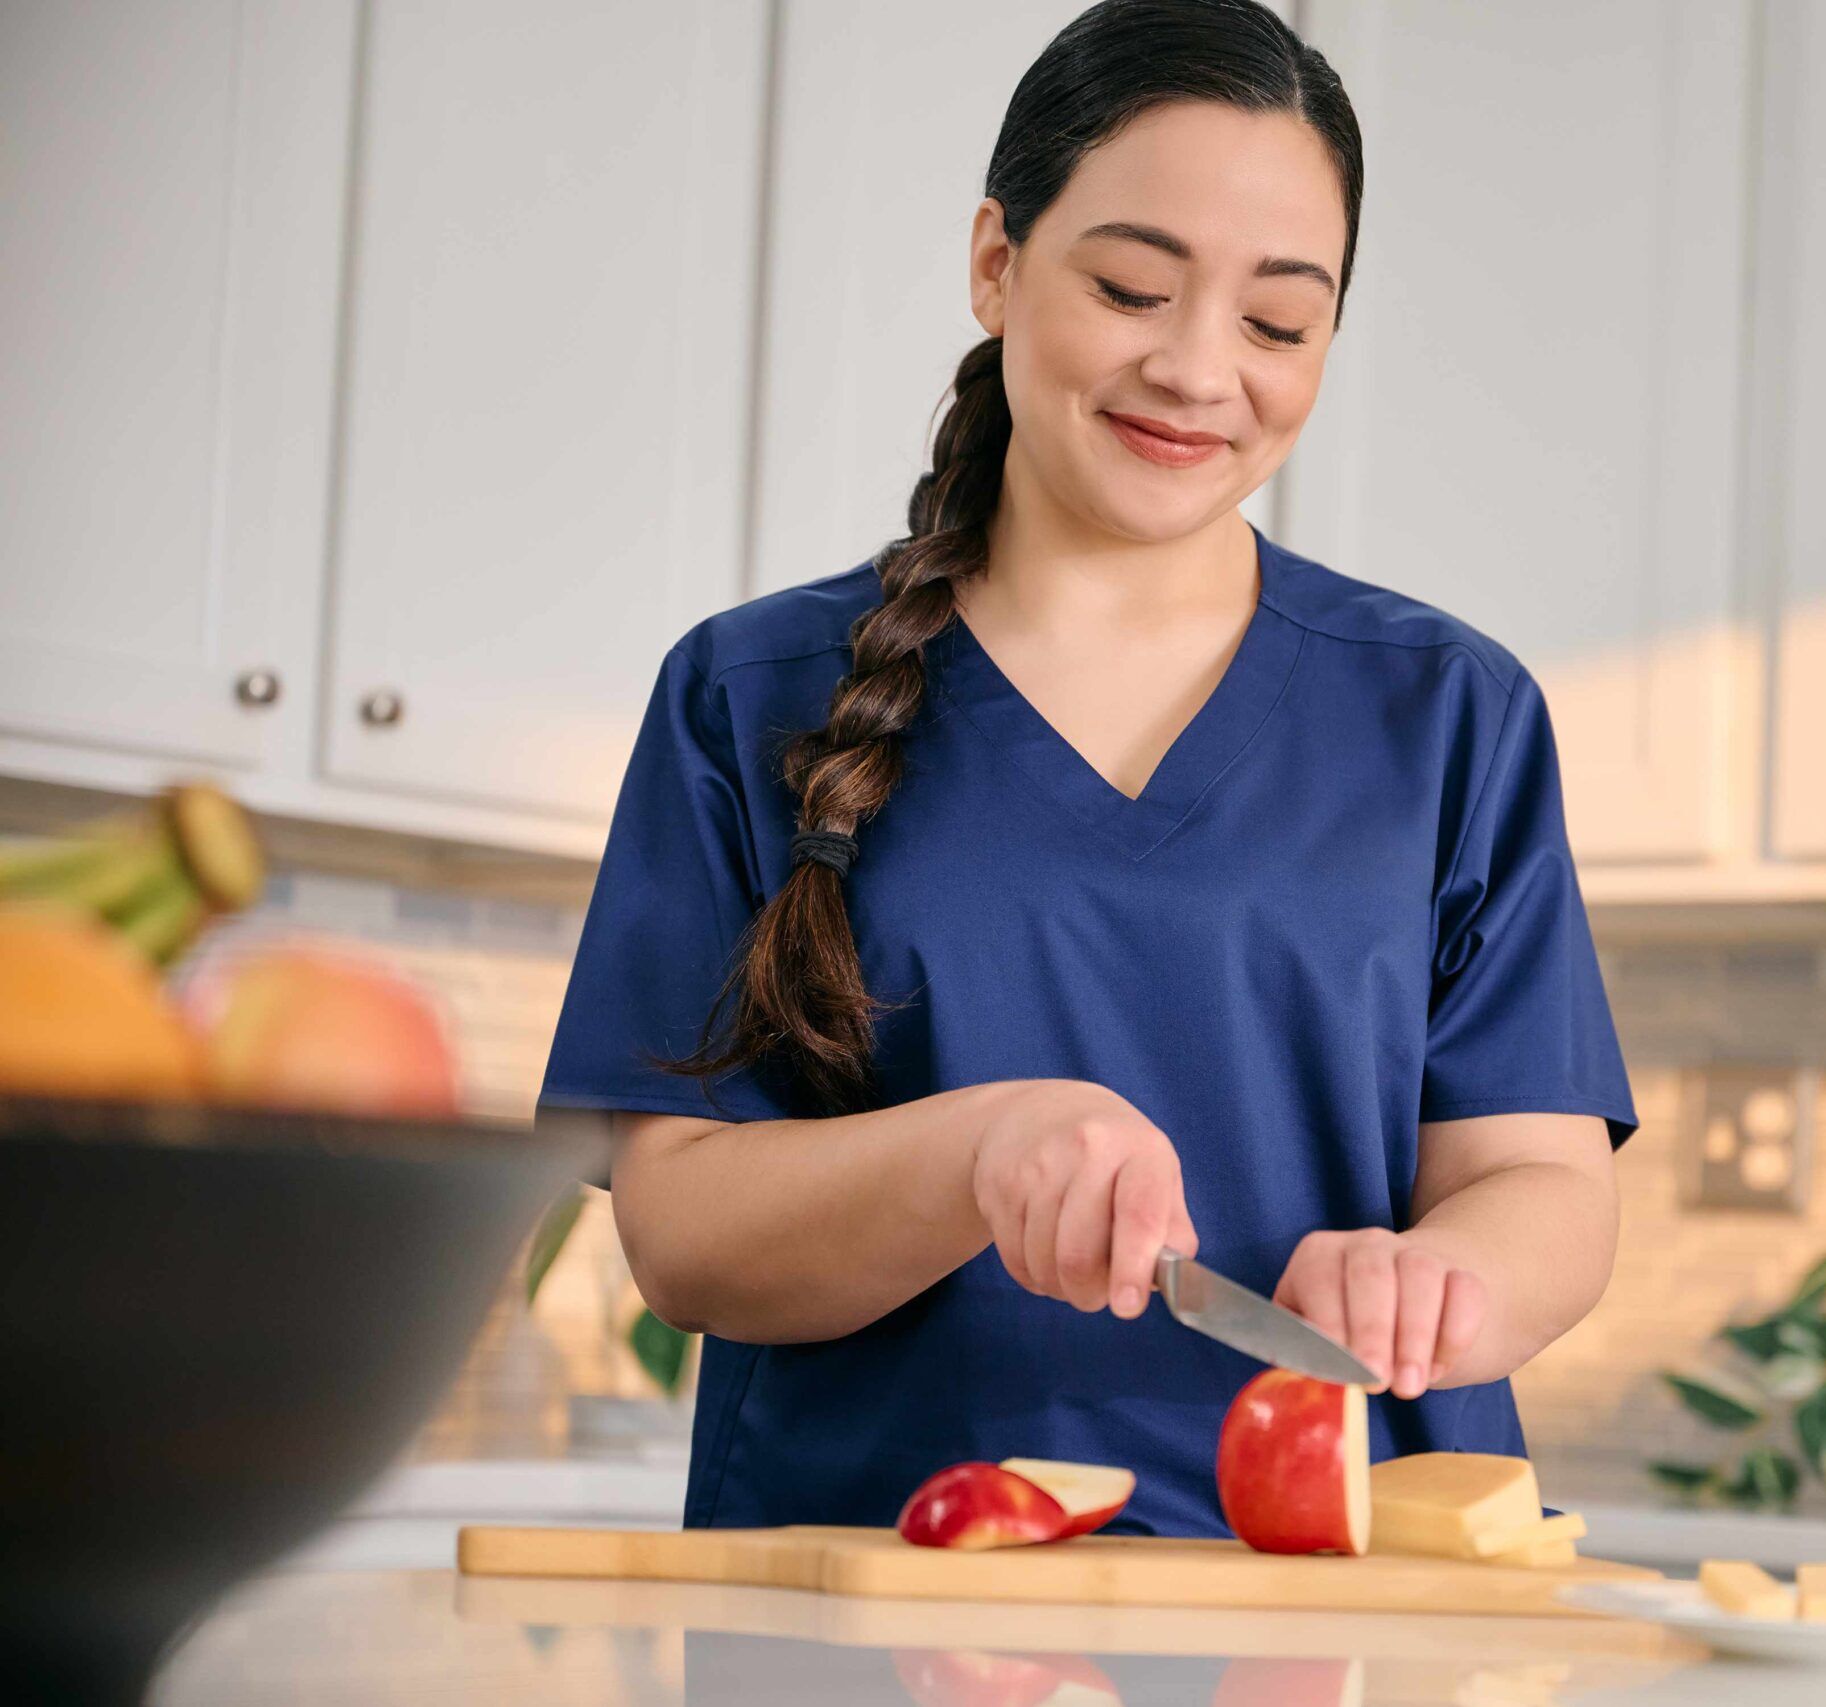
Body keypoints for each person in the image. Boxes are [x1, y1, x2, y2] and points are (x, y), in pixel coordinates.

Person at [538, 0, 1638, 1538]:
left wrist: (1449, 1279)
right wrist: (982, 1154)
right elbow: (681, 1233)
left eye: (1276, 323)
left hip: (1351, 1619)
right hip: (872, 1609)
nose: (1197, 372)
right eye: (1132, 287)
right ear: (998, 263)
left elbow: (1548, 1187)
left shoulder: (1451, 713)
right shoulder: (746, 695)